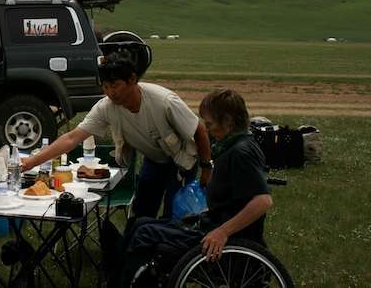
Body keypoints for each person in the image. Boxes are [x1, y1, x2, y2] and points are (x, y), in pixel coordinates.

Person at [21, 52, 212, 219]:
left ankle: (170, 252)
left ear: (132, 79)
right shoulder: (106, 107)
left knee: (174, 212)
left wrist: (206, 168)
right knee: (142, 211)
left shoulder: (163, 101)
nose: (110, 92)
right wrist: (31, 162)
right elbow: (71, 138)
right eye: (105, 87)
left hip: (181, 161)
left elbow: (199, 130)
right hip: (154, 160)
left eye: (115, 85)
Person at [114, 89, 273, 286]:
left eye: (210, 124)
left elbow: (263, 201)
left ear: (228, 122)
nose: (206, 130)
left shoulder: (241, 153)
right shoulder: (233, 146)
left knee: (144, 234)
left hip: (221, 236)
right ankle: (117, 274)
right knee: (140, 223)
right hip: (210, 223)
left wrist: (223, 232)